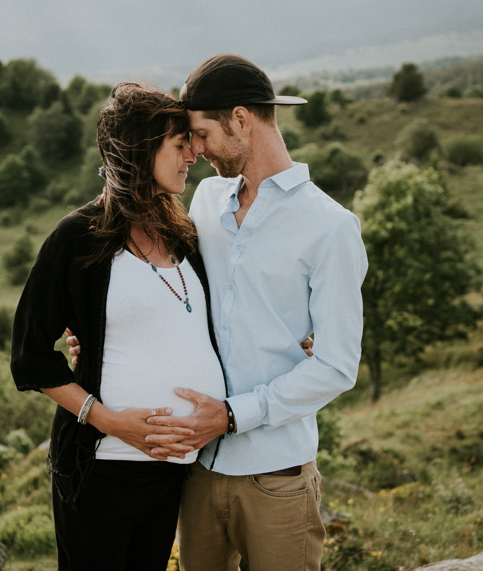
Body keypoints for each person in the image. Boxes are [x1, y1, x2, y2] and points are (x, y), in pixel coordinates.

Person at [144, 53, 369, 571]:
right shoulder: (205, 202)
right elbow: (175, 296)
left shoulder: (331, 227)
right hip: (198, 471)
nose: (194, 151)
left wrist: (230, 416)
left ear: (241, 120)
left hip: (278, 479)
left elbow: (337, 365)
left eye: (200, 135)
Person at [10, 82, 226, 571]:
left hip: (172, 473)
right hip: (102, 469)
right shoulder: (77, 238)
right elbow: (29, 353)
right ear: (139, 149)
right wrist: (110, 421)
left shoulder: (182, 233)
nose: (193, 153)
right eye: (178, 144)